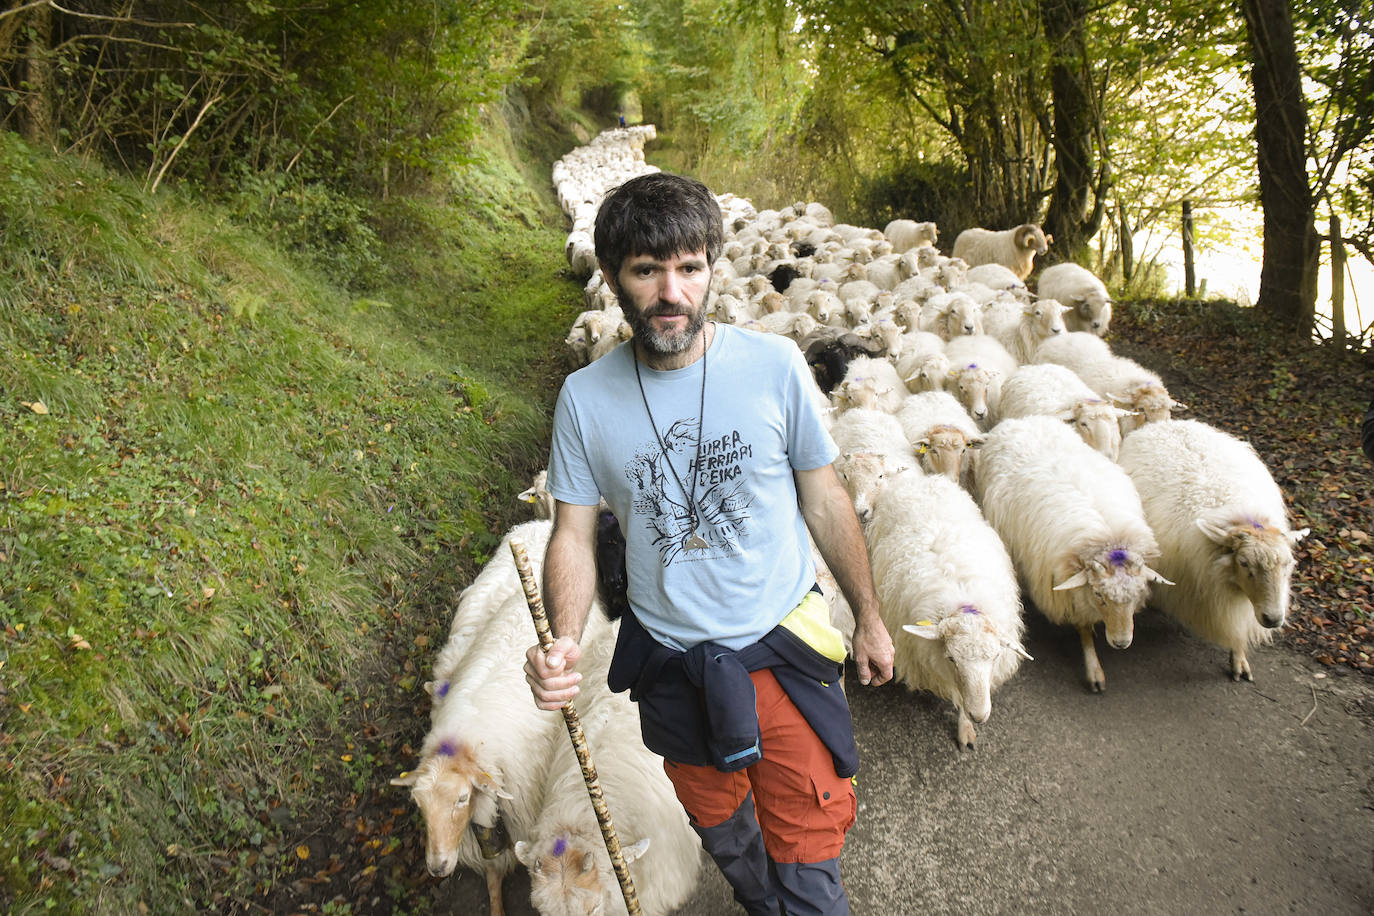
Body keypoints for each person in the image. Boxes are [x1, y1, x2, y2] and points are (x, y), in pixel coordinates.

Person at [525, 171, 894, 916]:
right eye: (647, 270)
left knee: (808, 847)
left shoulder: (774, 367)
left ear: (712, 271)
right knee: (724, 832)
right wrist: (564, 641)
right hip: (671, 664)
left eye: (689, 268)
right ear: (612, 278)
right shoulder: (586, 399)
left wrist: (872, 614)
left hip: (780, 648)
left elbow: (823, 497)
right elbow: (570, 532)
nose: (671, 292)